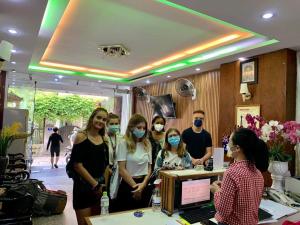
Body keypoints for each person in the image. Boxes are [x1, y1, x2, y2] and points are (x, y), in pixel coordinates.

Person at [210, 128, 269, 225]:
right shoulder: (258, 173)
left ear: (237, 148)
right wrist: (225, 189)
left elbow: (224, 211)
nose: (227, 145)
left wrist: (216, 192)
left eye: (229, 142)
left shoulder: (231, 172)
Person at [69, 108, 109, 225]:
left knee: (98, 222)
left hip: (100, 189)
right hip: (83, 188)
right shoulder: (81, 136)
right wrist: (95, 185)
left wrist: (103, 186)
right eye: (99, 117)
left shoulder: (104, 139)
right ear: (92, 118)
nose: (101, 121)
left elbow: (105, 166)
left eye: (104, 119)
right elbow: (77, 165)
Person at [116, 114, 152, 211]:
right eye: (139, 127)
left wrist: (143, 185)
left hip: (144, 185)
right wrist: (135, 187)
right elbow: (122, 169)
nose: (142, 130)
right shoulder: (123, 143)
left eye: (144, 128)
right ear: (131, 127)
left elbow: (149, 168)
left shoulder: (147, 143)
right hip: (129, 185)